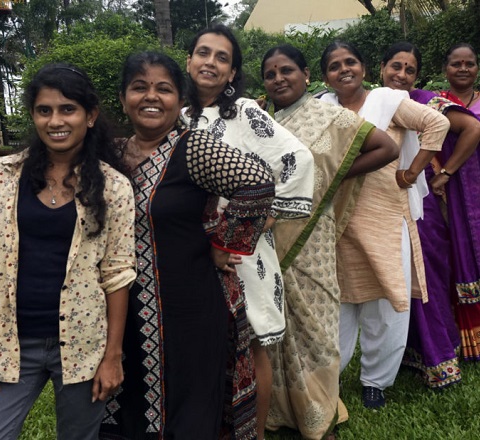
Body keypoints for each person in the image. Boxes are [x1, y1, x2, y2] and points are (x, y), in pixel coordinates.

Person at [98, 51, 275, 440]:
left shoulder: (192, 148)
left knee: (187, 404)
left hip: (189, 306)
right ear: (124, 96)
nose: (151, 97)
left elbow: (258, 183)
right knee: (129, 400)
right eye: (139, 87)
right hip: (120, 304)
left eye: (164, 89)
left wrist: (224, 240)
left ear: (181, 100)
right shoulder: (110, 153)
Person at [0, 63, 137, 440]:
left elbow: (118, 275)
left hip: (82, 344)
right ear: (33, 116)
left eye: (67, 109)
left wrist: (112, 356)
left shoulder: (113, 188)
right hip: (10, 341)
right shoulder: (3, 175)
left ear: (89, 116)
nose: (55, 120)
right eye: (45, 110)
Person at [182, 24, 315, 440]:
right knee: (203, 342)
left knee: (254, 340)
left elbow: (297, 158)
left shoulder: (244, 112)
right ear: (189, 61)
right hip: (190, 245)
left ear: (233, 72)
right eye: (203, 53)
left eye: (222, 58)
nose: (211, 62)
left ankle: (253, 434)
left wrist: (261, 219)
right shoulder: (175, 113)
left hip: (242, 249)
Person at [259, 44, 399, 439]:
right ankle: (283, 412)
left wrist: (332, 176)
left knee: (316, 327)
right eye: (270, 74)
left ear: (306, 74)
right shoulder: (266, 123)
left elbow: (386, 148)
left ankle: (319, 415)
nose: (278, 79)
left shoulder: (328, 114)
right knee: (278, 326)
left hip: (312, 235)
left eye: (287, 70)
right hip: (271, 238)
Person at [319, 41, 450, 409]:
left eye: (350, 62)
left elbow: (436, 124)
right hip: (337, 219)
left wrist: (411, 172)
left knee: (386, 302)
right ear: (325, 75)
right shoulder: (322, 108)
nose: (343, 70)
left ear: (364, 67)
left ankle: (375, 382)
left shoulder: (388, 100)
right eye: (334, 66)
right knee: (339, 301)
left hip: (386, 217)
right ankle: (331, 375)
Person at [380, 41, 480, 386]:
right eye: (396, 66)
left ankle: (441, 359)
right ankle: (408, 353)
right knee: (397, 282)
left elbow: (472, 129)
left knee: (426, 280)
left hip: (419, 206)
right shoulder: (373, 102)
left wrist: (444, 174)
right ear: (381, 68)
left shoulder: (425, 101)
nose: (402, 75)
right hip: (380, 206)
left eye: (410, 70)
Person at [439, 43, 480, 361]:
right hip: (452, 192)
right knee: (459, 253)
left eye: (470, 63)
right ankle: (468, 340)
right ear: (446, 69)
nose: (463, 68)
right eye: (457, 64)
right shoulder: (437, 104)